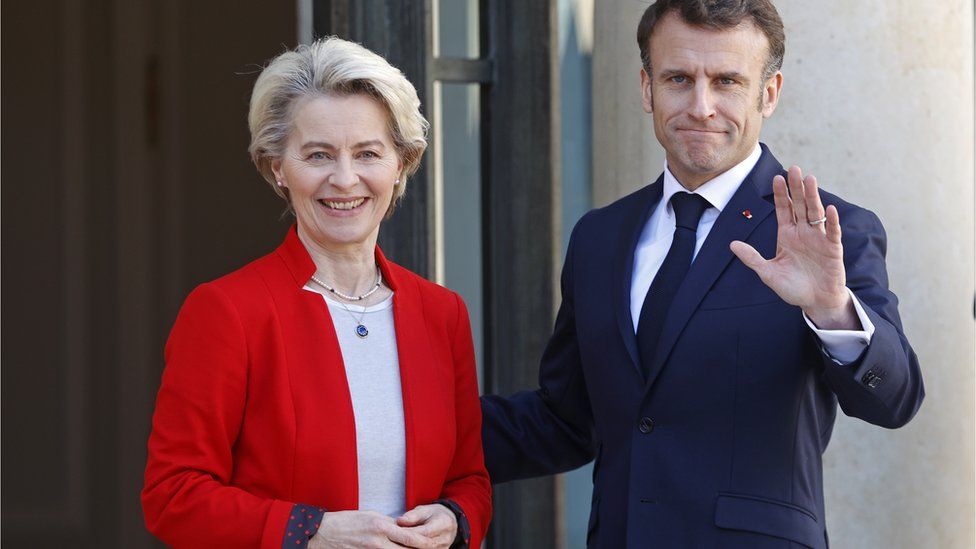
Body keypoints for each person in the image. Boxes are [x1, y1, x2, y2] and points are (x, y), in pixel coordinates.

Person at [481, 1, 923, 547]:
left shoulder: (830, 231)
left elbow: (895, 399)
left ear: (769, 92)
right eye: (678, 79)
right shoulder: (599, 237)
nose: (701, 106)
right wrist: (412, 432)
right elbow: (565, 421)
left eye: (727, 81)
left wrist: (830, 310)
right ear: (647, 88)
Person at [142, 37, 491, 549]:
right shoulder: (227, 312)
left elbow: (469, 479)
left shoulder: (442, 313)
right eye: (318, 155)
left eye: (368, 153)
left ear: (401, 164)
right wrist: (310, 532)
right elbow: (171, 497)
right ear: (277, 167)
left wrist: (455, 517)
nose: (345, 179)